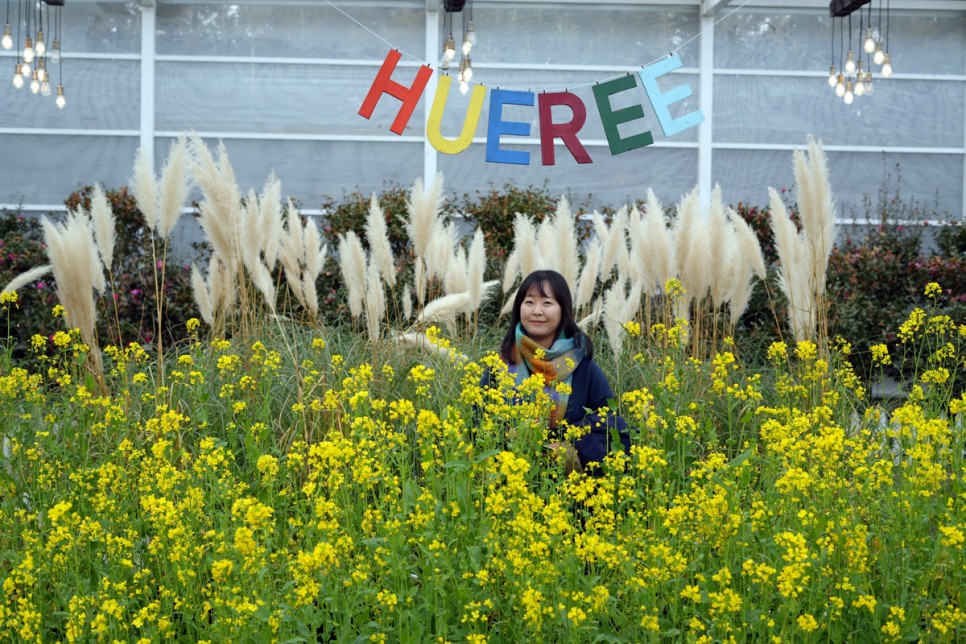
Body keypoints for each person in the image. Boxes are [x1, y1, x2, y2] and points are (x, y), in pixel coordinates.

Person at [482, 269, 631, 475]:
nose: (537, 311)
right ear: (519, 309)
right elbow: (478, 425)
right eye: (529, 302)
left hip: (571, 495)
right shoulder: (501, 365)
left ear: (563, 310)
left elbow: (613, 429)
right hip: (509, 491)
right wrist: (511, 436)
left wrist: (569, 449)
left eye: (547, 303)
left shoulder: (583, 367)